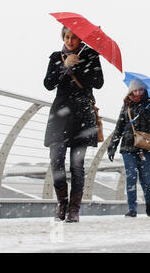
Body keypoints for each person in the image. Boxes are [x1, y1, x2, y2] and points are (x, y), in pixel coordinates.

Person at [44, 26, 104, 222]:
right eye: (67, 36)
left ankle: (74, 209)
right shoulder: (55, 57)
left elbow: (98, 82)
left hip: (82, 115)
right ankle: (62, 204)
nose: (70, 40)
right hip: (60, 115)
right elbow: (48, 84)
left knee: (77, 165)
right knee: (56, 160)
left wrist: (78, 65)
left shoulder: (91, 55)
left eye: (74, 37)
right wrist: (64, 66)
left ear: (81, 39)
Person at [107, 79, 150, 218]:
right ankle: (132, 208)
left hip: (146, 146)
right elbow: (120, 126)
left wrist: (149, 115)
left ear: (145, 90)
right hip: (128, 145)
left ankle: (149, 202)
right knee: (131, 176)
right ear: (131, 91)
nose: (138, 93)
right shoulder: (127, 105)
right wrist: (112, 146)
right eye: (135, 90)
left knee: (145, 178)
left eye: (141, 90)